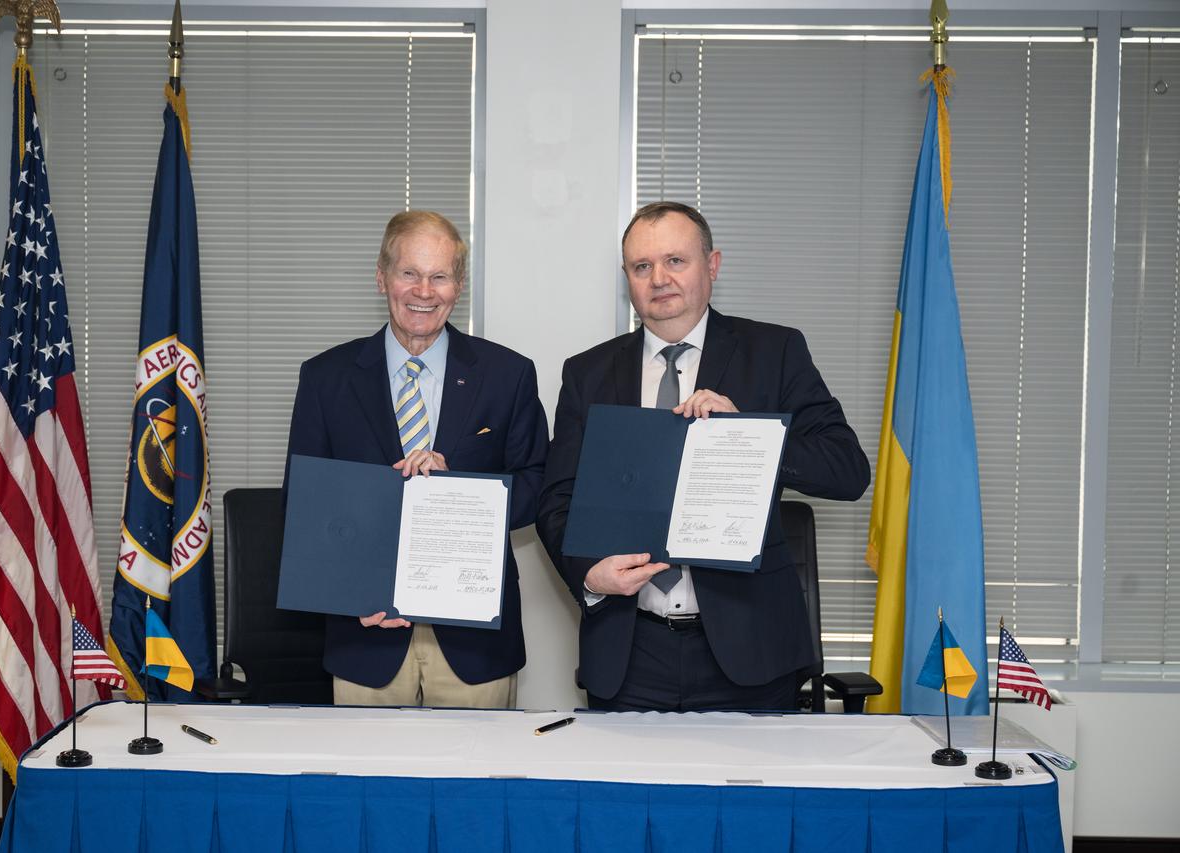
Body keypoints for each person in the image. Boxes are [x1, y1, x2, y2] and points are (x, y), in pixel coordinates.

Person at [536, 201, 870, 712]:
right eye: (641, 266)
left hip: (751, 651)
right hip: (629, 652)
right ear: (626, 277)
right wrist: (588, 575)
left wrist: (747, 436)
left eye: (676, 261)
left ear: (711, 266)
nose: (659, 278)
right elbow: (557, 499)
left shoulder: (775, 351)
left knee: (750, 795)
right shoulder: (588, 372)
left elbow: (847, 470)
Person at [284, 210, 548, 708]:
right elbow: (304, 502)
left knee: (475, 782)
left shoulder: (507, 374)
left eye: (439, 276)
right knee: (367, 785)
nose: (423, 291)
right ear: (381, 276)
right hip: (366, 631)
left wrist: (460, 495)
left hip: (473, 638)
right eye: (409, 273)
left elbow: (537, 483)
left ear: (459, 285)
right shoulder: (326, 378)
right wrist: (348, 596)